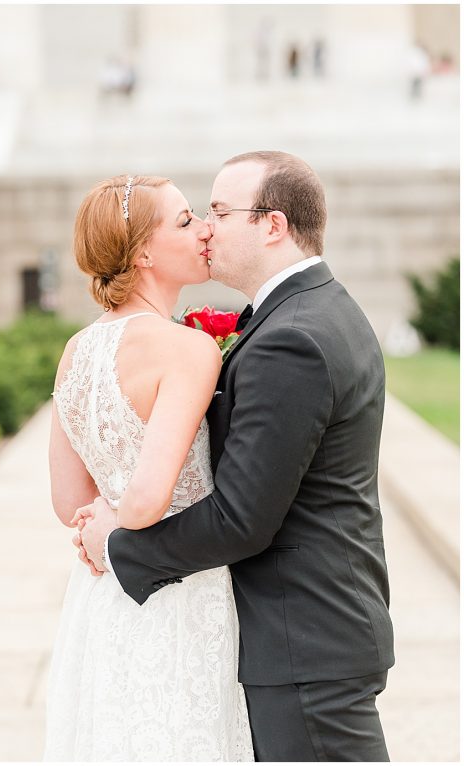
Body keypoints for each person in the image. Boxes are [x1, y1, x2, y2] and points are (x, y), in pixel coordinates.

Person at [77, 151, 394, 761]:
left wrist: (117, 547)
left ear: (272, 225)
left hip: (306, 637)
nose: (208, 228)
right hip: (309, 632)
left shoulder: (292, 338)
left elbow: (241, 519)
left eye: (220, 211)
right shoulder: (306, 312)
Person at [45, 174, 253, 760]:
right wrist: (119, 517)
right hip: (181, 589)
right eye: (185, 221)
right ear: (142, 252)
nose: (205, 229)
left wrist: (96, 525)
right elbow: (144, 502)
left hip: (103, 594)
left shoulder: (77, 349)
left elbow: (68, 501)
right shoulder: (185, 349)